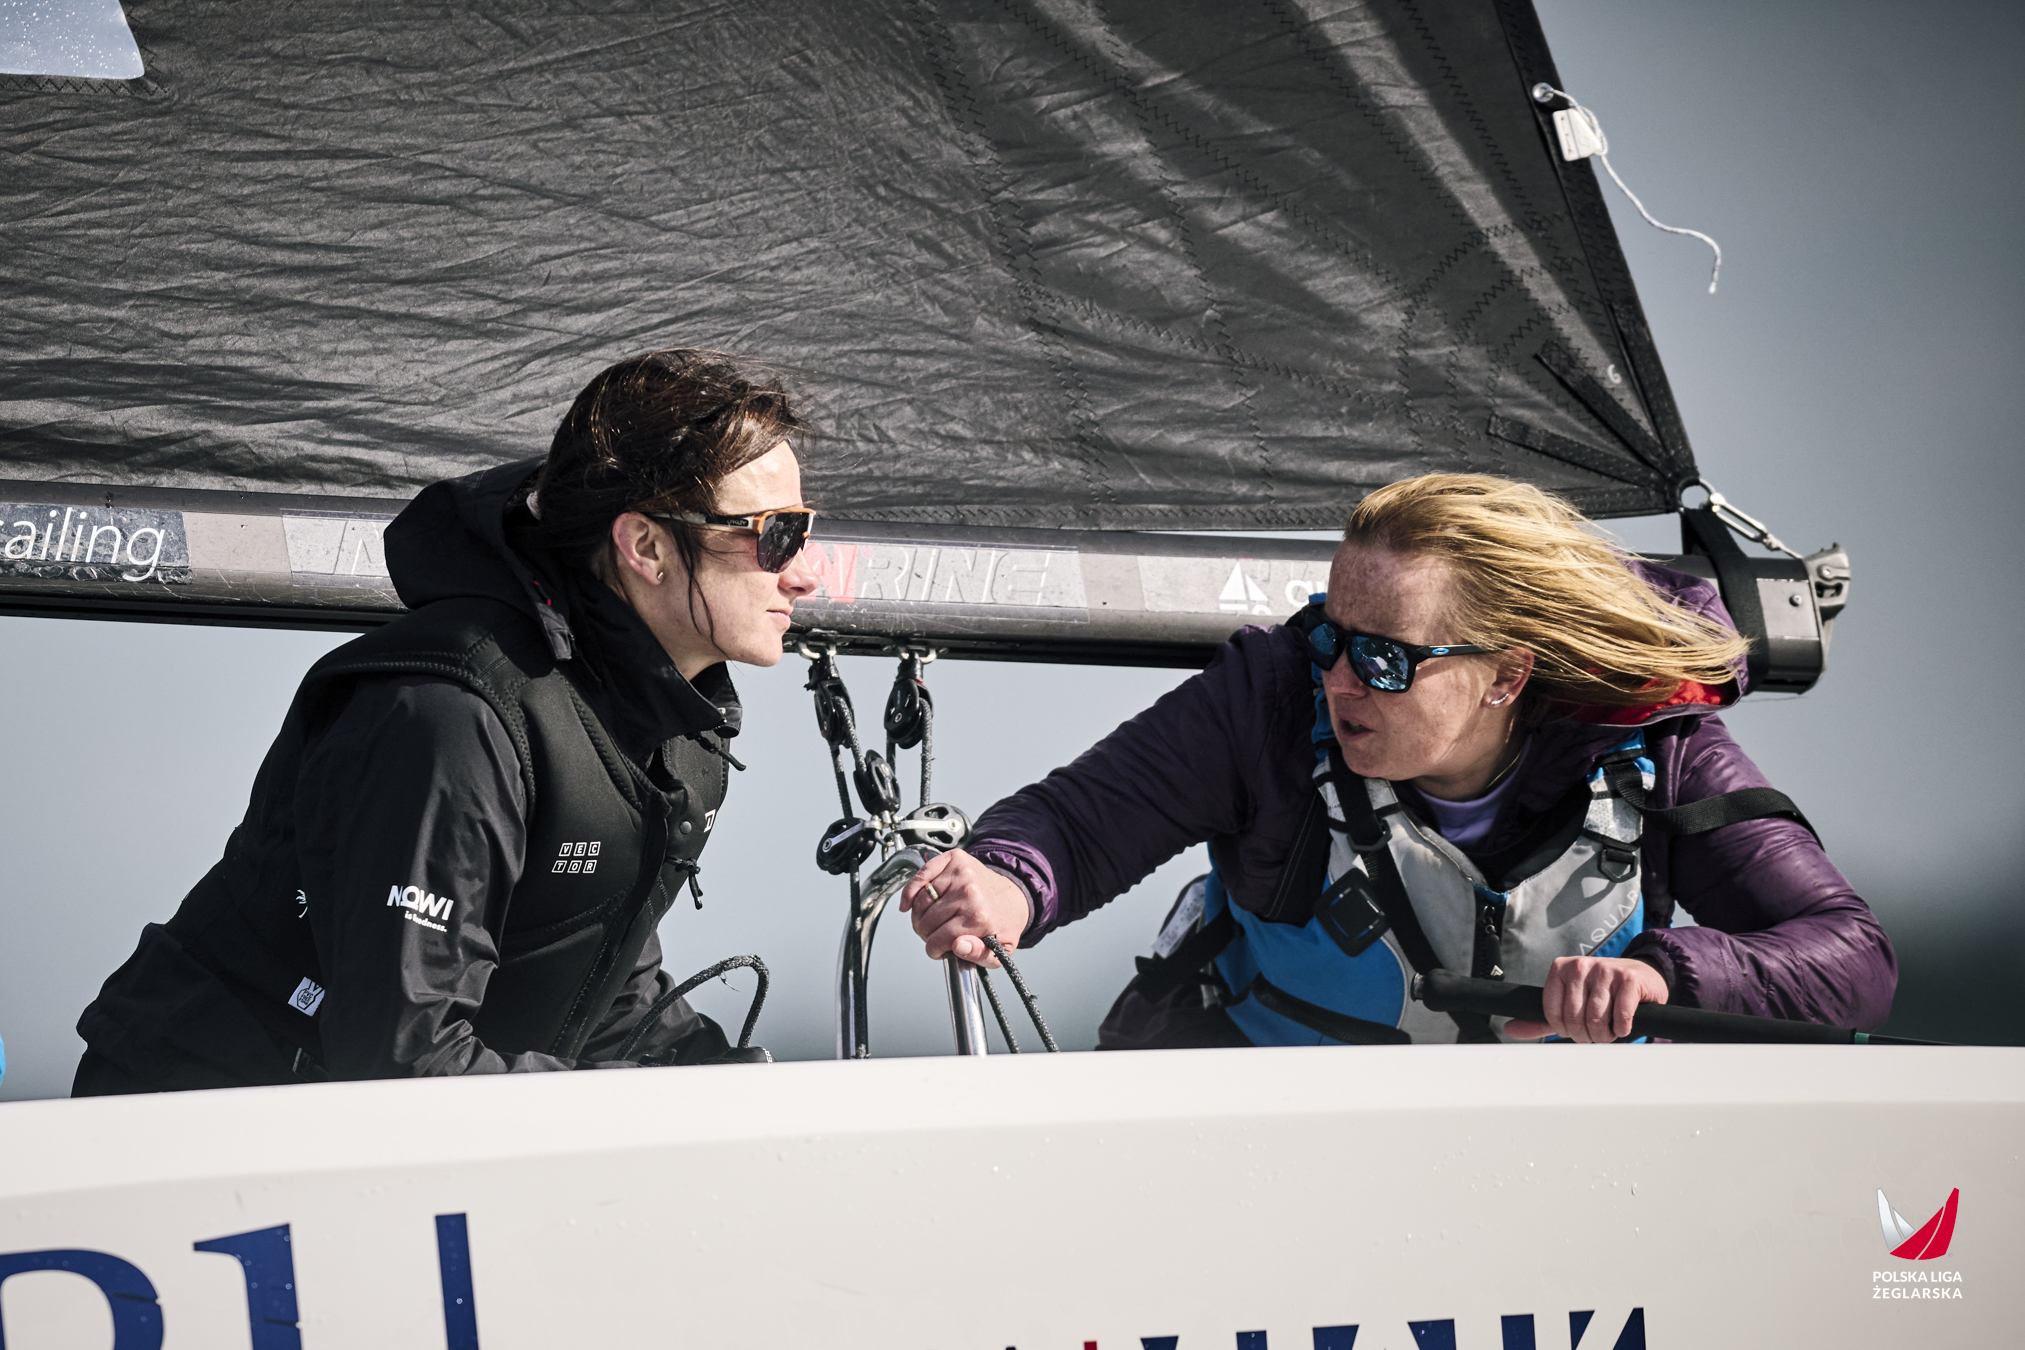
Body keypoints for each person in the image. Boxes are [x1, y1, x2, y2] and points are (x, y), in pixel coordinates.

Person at [901, 474, 1896, 1046]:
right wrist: (1007, 884)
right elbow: (1077, 824)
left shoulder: (1655, 748)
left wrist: (1666, 975)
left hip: (1557, 1190)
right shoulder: (1269, 701)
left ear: (1506, 676)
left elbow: (1851, 958)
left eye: (1385, 660)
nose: (1340, 680)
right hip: (1261, 1165)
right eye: (1332, 638)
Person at [73, 350, 819, 1092]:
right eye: (774, 535)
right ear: (646, 547)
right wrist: (644, 1111)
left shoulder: (672, 730)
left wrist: (740, 1092)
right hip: (191, 1122)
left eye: (805, 531)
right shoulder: (456, 718)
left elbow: (600, 990)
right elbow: (402, 1061)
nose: (803, 574)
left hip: (359, 1128)